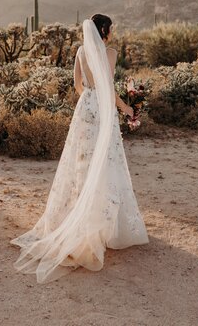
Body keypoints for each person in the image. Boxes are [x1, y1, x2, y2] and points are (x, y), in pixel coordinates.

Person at [10, 14, 149, 283]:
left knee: (83, 162)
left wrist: (89, 98)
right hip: (102, 109)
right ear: (105, 30)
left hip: (85, 108)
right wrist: (127, 108)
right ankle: (102, 227)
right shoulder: (110, 52)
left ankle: (80, 219)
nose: (113, 33)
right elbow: (108, 87)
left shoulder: (81, 51)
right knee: (105, 164)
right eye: (112, 28)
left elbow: (77, 85)